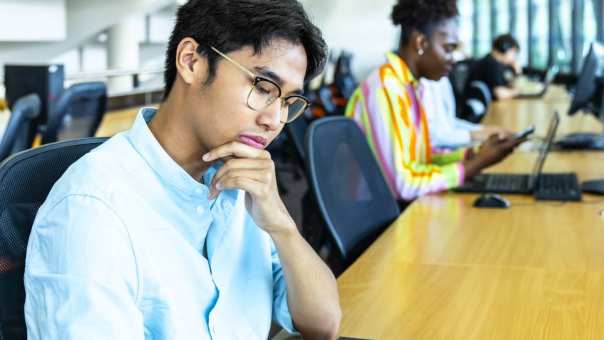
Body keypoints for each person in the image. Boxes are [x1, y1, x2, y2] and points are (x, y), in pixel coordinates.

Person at [24, 1, 341, 339]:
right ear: (191, 61)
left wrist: (282, 226)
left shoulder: (244, 186)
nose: (274, 120)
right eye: (263, 88)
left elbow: (323, 325)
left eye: (288, 103)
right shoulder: (91, 213)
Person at [345, 0, 521, 202]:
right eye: (448, 48)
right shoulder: (386, 89)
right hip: (381, 218)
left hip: (399, 208)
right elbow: (404, 185)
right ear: (420, 43)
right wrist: (474, 165)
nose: (453, 59)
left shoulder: (409, 86)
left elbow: (422, 158)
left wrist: (473, 153)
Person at [419, 76, 509, 148]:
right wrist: (471, 135)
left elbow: (449, 122)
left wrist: (480, 129)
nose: (452, 59)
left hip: (450, 145)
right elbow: (431, 138)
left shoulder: (443, 80)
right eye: (446, 52)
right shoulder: (422, 84)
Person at [464, 33, 521, 101]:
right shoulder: (491, 64)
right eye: (514, 52)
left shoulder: (495, 63)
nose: (514, 57)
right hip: (482, 109)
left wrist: (516, 72)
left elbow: (508, 85)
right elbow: (500, 94)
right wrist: (518, 91)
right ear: (505, 48)